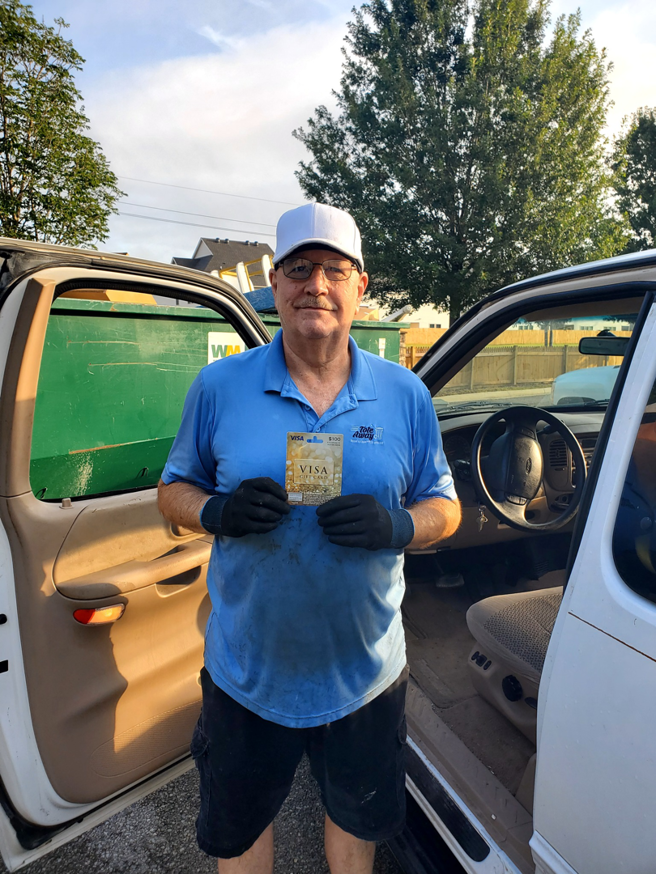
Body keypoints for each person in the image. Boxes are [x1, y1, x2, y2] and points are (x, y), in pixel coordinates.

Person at [157, 202, 461, 874]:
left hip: (366, 675)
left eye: (333, 269)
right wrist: (216, 513)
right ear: (275, 280)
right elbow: (171, 492)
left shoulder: (406, 393)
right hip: (247, 674)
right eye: (299, 269)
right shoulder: (219, 386)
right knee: (239, 834)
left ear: (361, 285)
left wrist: (399, 525)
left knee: (354, 827)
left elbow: (446, 505)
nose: (315, 285)